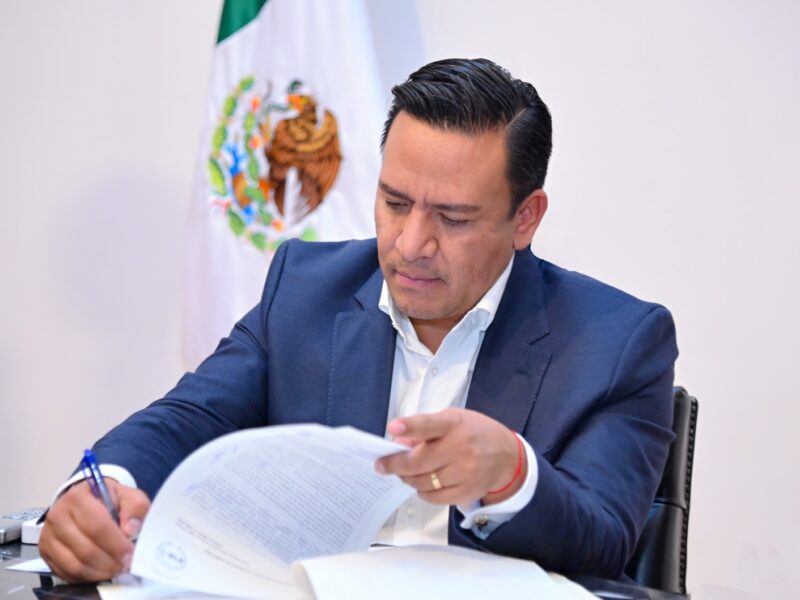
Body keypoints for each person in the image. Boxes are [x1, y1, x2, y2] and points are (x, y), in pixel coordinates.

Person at [40, 58, 678, 584]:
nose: (411, 244)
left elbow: (604, 540)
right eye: (395, 202)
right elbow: (189, 417)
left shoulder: (617, 342)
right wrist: (101, 489)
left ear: (526, 217)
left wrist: (512, 473)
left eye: (452, 218)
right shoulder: (306, 289)